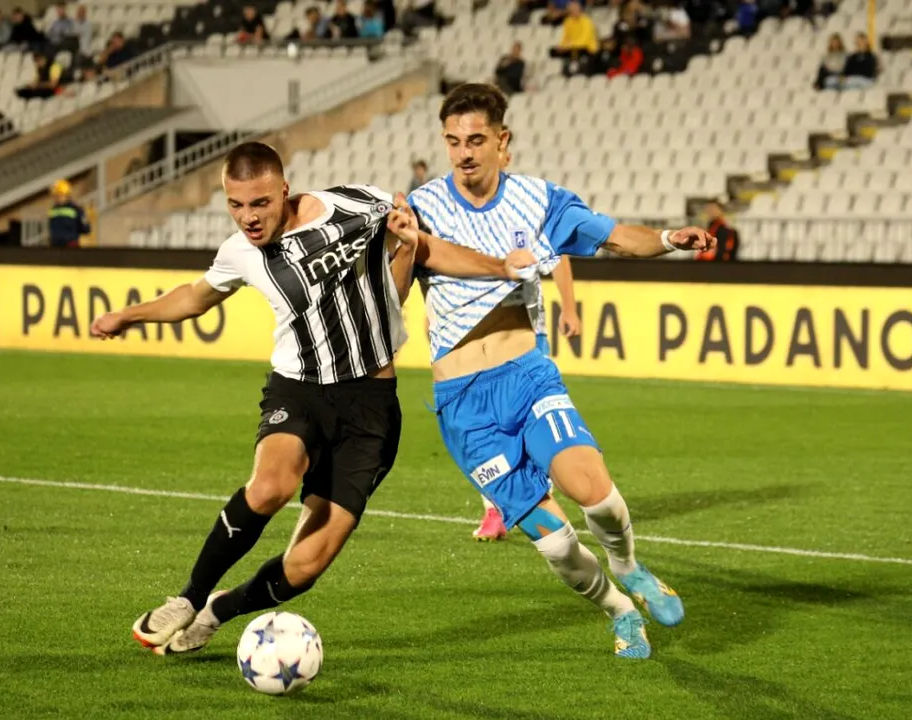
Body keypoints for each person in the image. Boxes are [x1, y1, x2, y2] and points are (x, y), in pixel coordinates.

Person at [91, 141, 536, 655]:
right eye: (235, 205)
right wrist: (129, 315)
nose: (248, 218)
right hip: (298, 389)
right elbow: (196, 295)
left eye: (259, 203)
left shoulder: (360, 206)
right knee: (270, 488)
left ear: (284, 189)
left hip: (370, 406)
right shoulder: (241, 252)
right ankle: (188, 598)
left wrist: (498, 266)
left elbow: (421, 256)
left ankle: (218, 610)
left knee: (305, 568)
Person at [398, 83, 714, 659]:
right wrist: (397, 244)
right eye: (453, 142)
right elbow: (394, 289)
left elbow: (616, 236)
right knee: (554, 541)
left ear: (503, 141)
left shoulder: (540, 201)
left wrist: (670, 238)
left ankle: (632, 569)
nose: (464, 153)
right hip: (463, 407)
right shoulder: (420, 209)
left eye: (475, 140)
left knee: (590, 489)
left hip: (525, 375)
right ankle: (619, 612)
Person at [463, 125, 581, 542]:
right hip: (475, 342)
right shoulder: (464, 218)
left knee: (526, 425)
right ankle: (496, 507)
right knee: (485, 427)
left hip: (528, 336)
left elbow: (560, 258)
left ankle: (534, 494)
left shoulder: (525, 210)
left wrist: (569, 307)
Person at [47, 180, 90, 248]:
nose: (56, 198)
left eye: (59, 195)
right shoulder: (53, 210)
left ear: (66, 195)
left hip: (70, 245)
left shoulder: (76, 209)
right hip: (55, 246)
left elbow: (85, 228)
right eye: (55, 196)